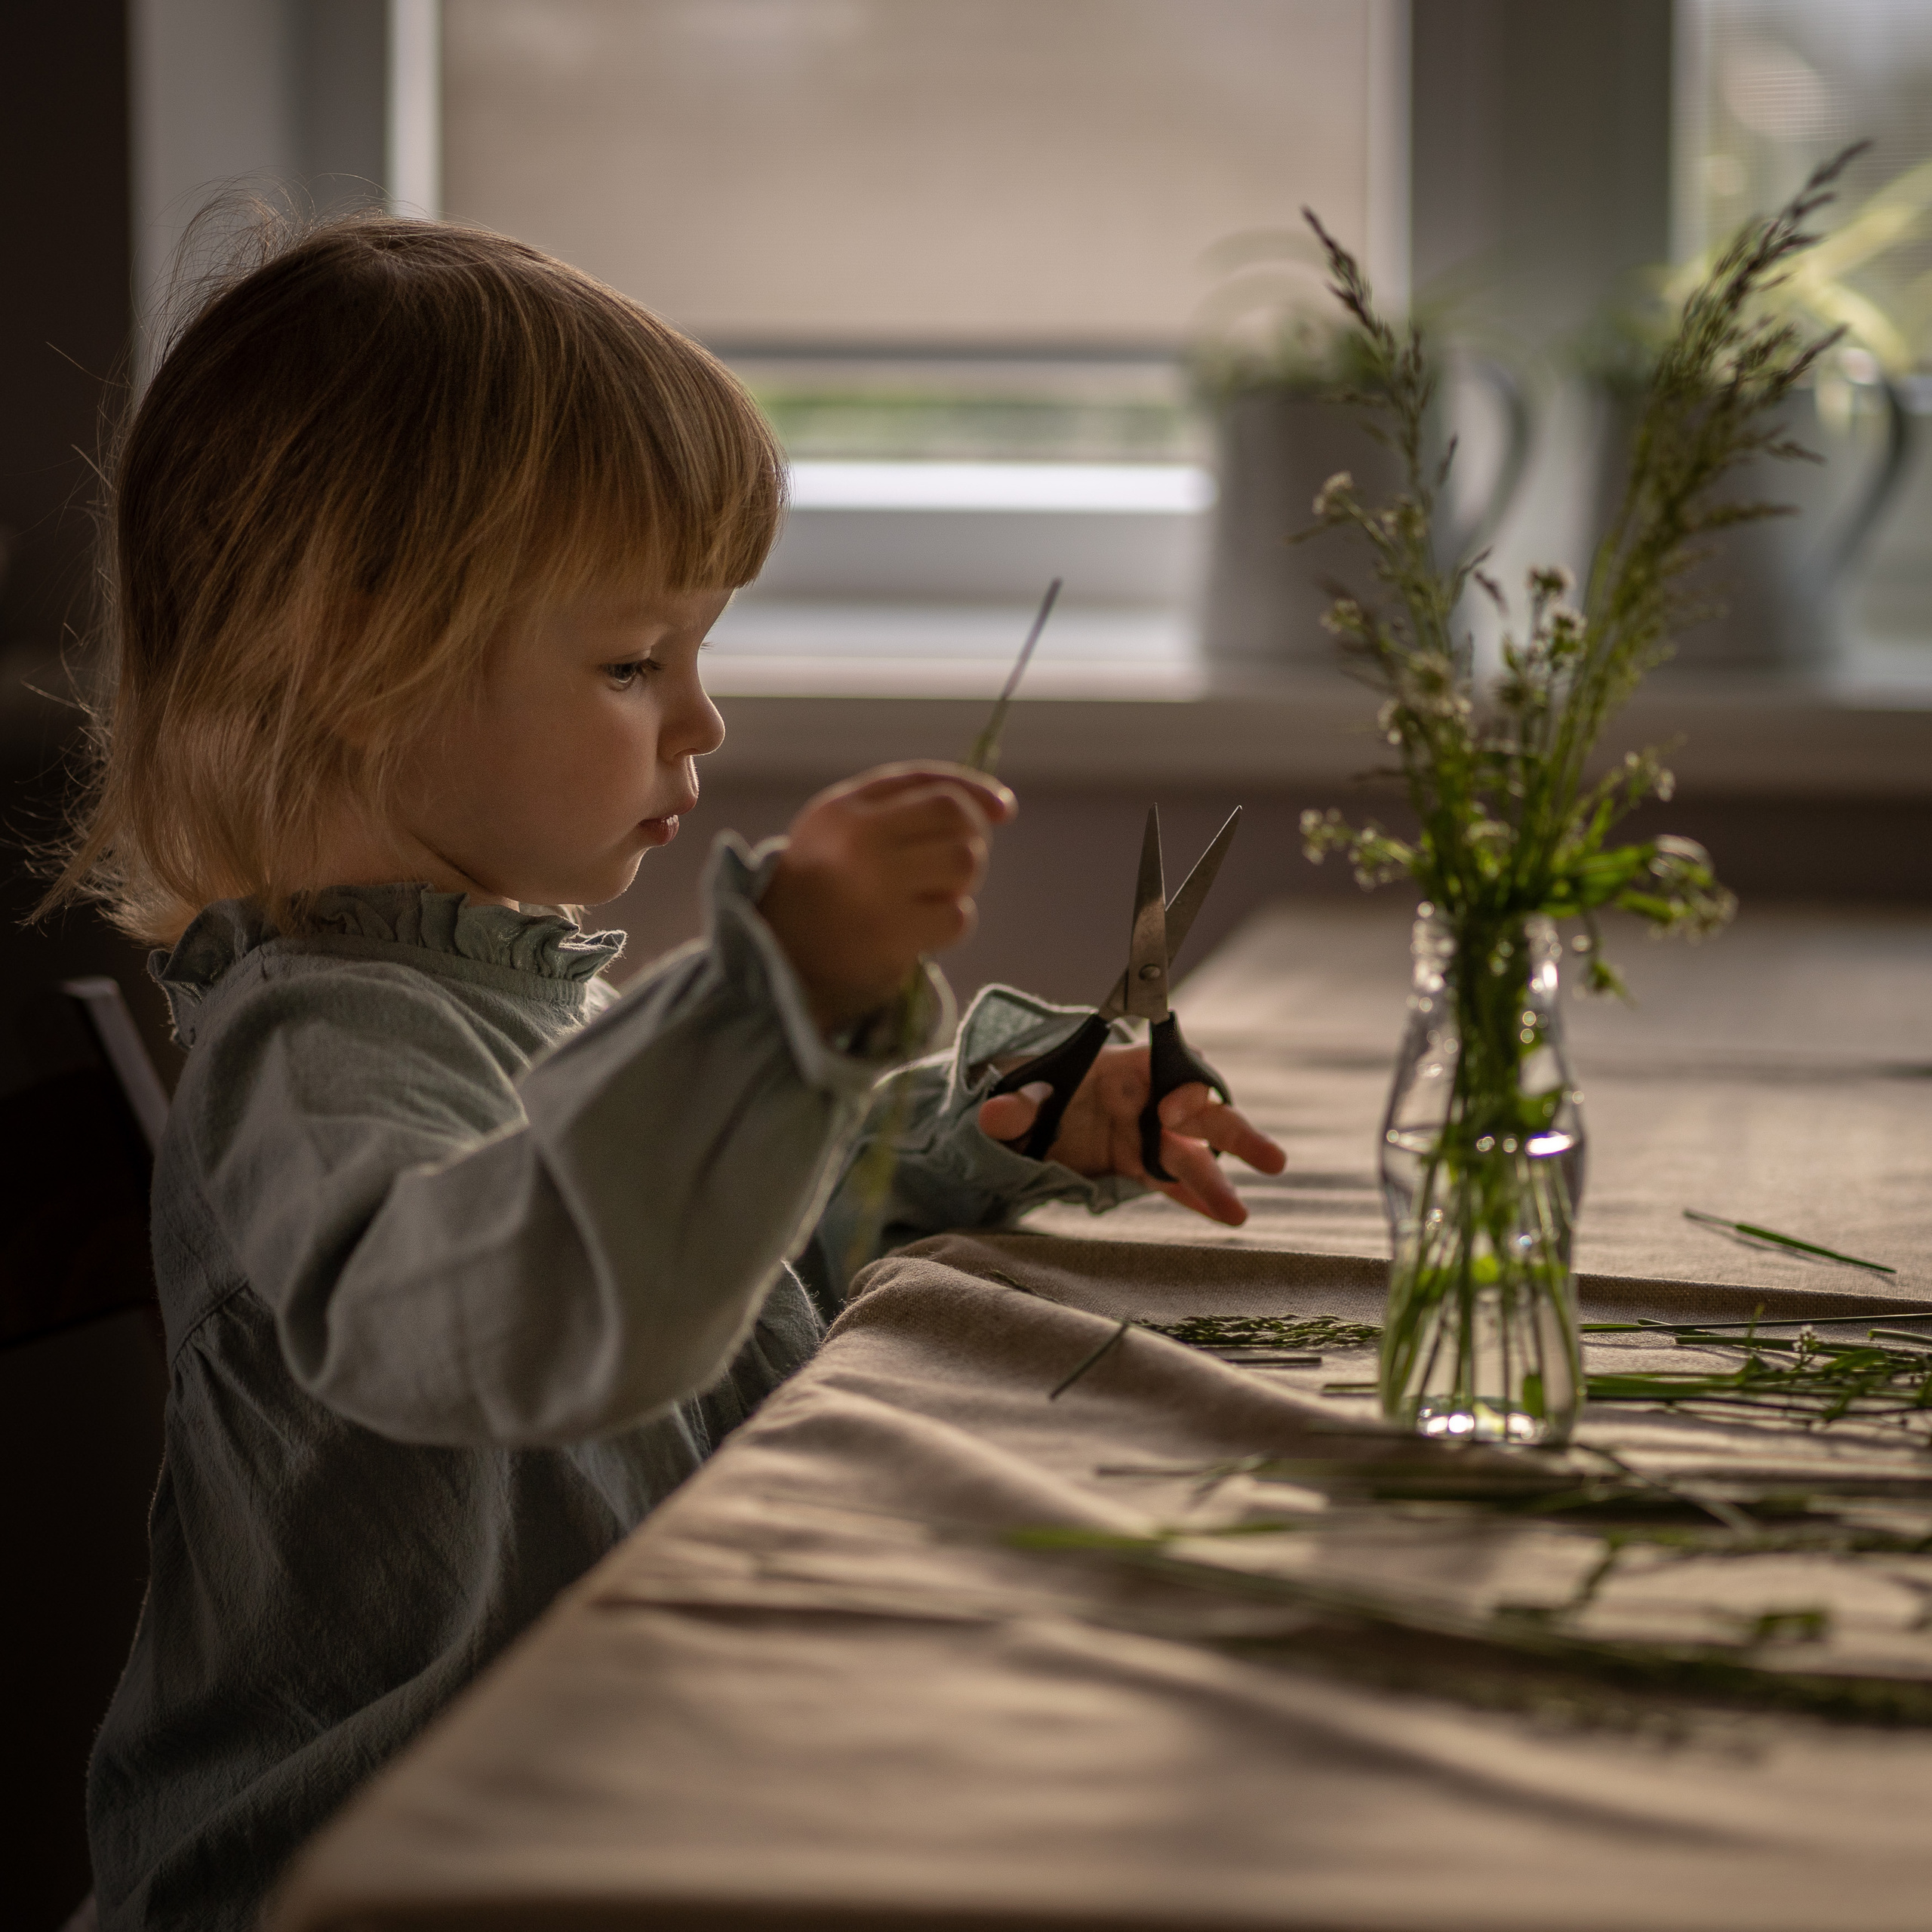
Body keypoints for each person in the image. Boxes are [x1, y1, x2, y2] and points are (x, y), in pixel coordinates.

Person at [37, 212, 1285, 1932]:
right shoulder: (314, 1056)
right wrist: (775, 1003)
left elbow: (731, 1256)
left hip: (627, 1788)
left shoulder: (501, 994)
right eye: (633, 662)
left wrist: (1008, 1116)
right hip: (363, 1873)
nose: (701, 722)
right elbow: (525, 1314)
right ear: (353, 661)